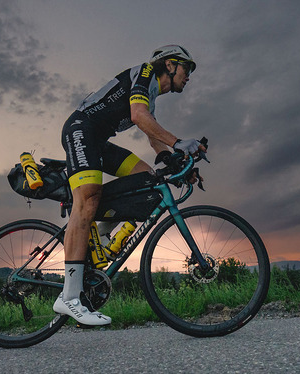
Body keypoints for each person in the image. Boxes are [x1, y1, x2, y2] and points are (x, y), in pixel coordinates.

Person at [53, 45, 206, 326]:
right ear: (170, 65)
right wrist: (179, 142)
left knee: (148, 180)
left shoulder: (151, 94)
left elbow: (152, 134)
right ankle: (70, 296)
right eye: (188, 68)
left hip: (97, 140)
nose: (190, 76)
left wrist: (177, 161)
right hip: (80, 128)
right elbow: (138, 116)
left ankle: (97, 241)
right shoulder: (145, 73)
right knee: (87, 198)